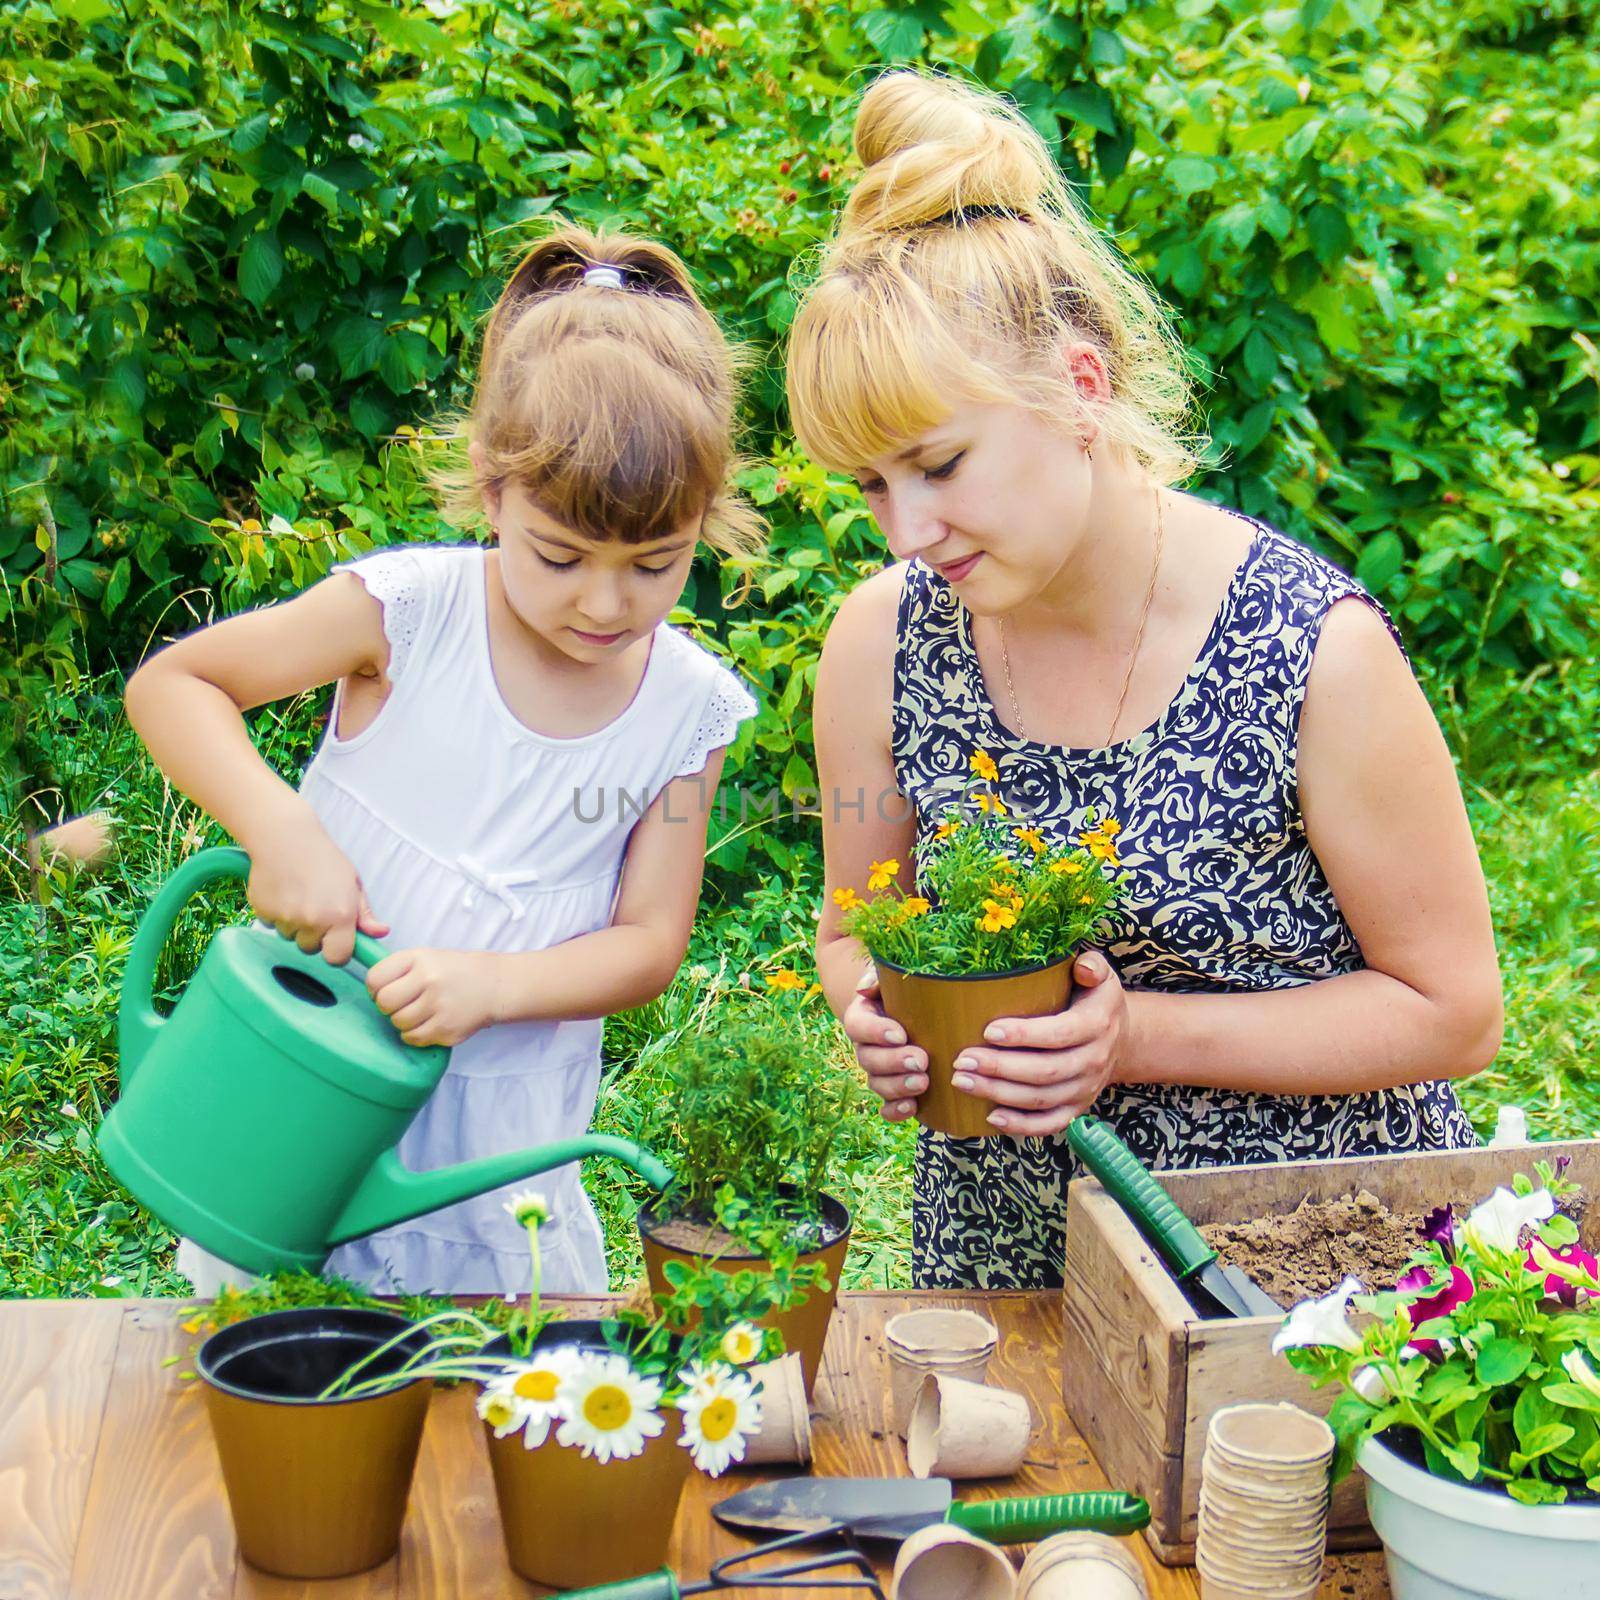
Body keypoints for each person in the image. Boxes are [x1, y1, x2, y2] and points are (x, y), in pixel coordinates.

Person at [787, 72, 1502, 1290]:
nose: (905, 530)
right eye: (868, 485)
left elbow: (1453, 1012)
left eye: (940, 465)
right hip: (1010, 1266)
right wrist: (878, 1013)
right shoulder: (879, 646)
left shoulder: (1310, 649)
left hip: (1300, 1276)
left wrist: (1132, 1038)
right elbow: (855, 925)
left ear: (1079, 386)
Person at [124, 227, 762, 1296]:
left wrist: (496, 985)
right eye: (560, 557)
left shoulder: (684, 709)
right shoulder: (413, 613)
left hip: (498, 1138)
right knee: (272, 1366)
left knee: (498, 1399)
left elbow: (649, 942)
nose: (605, 605)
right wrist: (282, 832)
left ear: (705, 519)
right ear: (493, 486)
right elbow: (174, 687)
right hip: (307, 1082)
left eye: (657, 565)